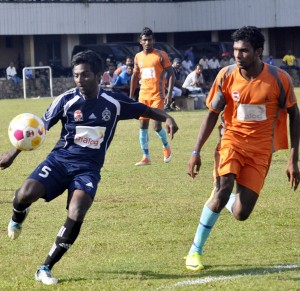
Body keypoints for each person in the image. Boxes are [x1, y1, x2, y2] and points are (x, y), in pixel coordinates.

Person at [0, 50, 178, 285]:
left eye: (85, 75)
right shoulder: (66, 100)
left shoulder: (114, 102)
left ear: (98, 75)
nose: (79, 80)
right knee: (24, 194)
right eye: (76, 75)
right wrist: (13, 153)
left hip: (88, 169)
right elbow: (39, 128)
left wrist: (167, 118)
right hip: (59, 161)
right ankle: (18, 215)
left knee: (77, 211)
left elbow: (145, 109)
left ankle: (45, 267)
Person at [185, 26, 299, 271]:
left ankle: (221, 197)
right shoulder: (226, 76)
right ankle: (195, 251)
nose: (238, 55)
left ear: (258, 52)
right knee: (224, 190)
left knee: (241, 213)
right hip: (231, 142)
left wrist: (293, 159)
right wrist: (195, 152)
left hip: (260, 152)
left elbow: (294, 114)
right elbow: (212, 114)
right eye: (235, 49)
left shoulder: (280, 79)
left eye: (244, 51)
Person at [129, 27, 175, 166]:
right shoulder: (138, 57)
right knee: (143, 125)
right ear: (140, 41)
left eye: (150, 40)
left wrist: (169, 93)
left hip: (157, 95)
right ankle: (146, 156)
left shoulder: (160, 55)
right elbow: (135, 76)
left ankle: (166, 147)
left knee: (156, 126)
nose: (147, 42)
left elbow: (171, 74)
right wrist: (131, 96)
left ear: (153, 40)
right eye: (145, 40)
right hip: (143, 96)